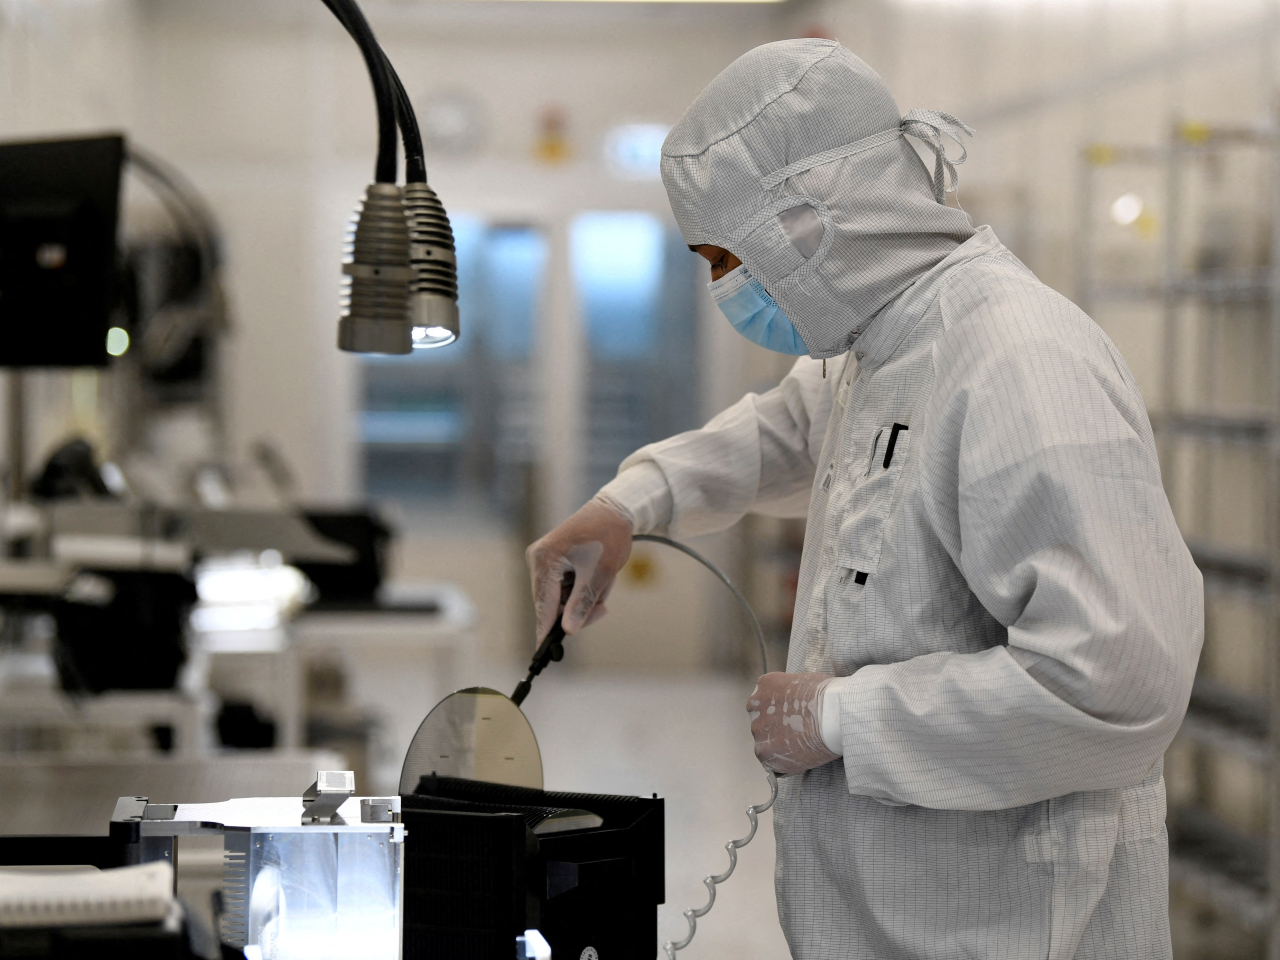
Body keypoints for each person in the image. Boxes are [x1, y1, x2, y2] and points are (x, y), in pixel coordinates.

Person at [526, 38, 1202, 959]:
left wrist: (840, 718)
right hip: (903, 921)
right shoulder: (883, 344)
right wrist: (632, 501)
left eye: (727, 257)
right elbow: (790, 430)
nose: (725, 288)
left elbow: (1117, 682)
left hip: (1018, 923)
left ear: (805, 222)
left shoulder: (1018, 361)